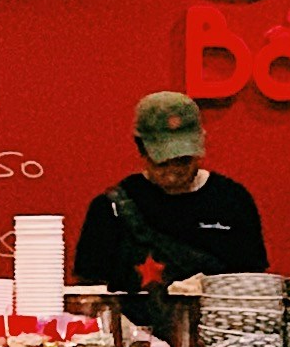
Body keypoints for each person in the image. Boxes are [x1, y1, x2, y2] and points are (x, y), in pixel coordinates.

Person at [71, 92, 268, 333]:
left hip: (222, 339)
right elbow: (91, 295)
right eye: (162, 162)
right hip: (135, 344)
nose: (173, 173)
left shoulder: (232, 200)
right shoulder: (109, 209)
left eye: (183, 160)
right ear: (141, 149)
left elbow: (254, 287)